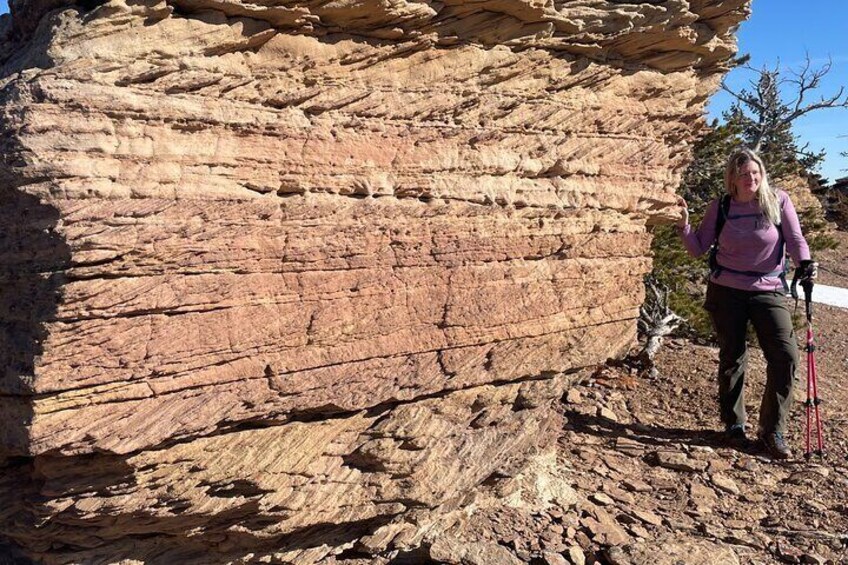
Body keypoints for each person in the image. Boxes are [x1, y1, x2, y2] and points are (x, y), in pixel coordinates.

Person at [676, 148, 817, 459]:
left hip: (768, 289)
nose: (750, 178)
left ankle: (772, 431)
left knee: (785, 356)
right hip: (726, 290)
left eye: (755, 173)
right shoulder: (722, 206)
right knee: (732, 357)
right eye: (744, 174)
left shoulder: (778, 201)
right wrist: (685, 226)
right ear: (733, 178)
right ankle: (734, 426)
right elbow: (698, 248)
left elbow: (795, 239)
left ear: (762, 174)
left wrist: (804, 263)